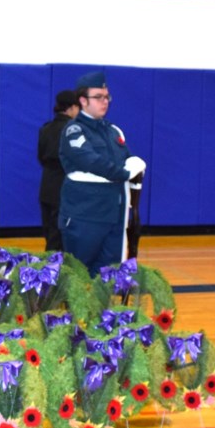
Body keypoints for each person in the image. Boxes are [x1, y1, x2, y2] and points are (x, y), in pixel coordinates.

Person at [58, 71, 147, 277]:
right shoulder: (74, 131)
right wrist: (124, 173)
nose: (104, 102)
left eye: (107, 97)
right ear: (82, 100)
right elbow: (91, 161)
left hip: (113, 215)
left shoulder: (112, 131)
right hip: (85, 216)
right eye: (98, 97)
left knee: (108, 275)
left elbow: (127, 157)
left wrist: (134, 163)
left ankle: (104, 311)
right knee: (79, 275)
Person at [37, 90, 80, 251]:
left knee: (49, 232)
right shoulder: (73, 130)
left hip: (47, 185)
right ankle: (53, 271)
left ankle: (49, 268)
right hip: (65, 186)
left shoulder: (45, 129)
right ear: (71, 108)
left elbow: (41, 156)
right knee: (60, 237)